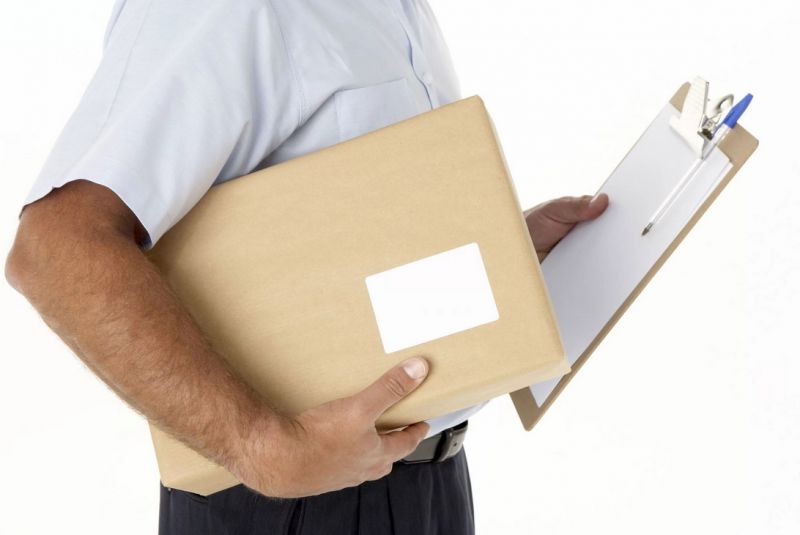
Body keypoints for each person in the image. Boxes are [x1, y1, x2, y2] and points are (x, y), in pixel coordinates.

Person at [5, 1, 609, 533]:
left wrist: (502, 252)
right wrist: (258, 446)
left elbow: (335, 244)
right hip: (291, 505)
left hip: (431, 481)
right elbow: (57, 247)